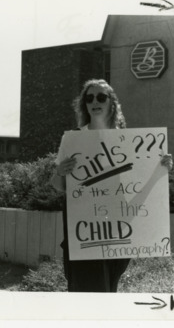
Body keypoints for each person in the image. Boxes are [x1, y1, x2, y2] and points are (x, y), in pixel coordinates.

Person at [50, 79, 173, 292]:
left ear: (111, 102)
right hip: (84, 233)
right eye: (89, 98)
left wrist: (162, 168)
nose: (94, 101)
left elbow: (139, 184)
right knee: (86, 295)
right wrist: (60, 172)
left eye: (101, 97)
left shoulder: (128, 140)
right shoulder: (74, 139)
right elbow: (58, 186)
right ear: (84, 104)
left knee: (108, 291)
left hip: (117, 230)